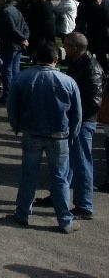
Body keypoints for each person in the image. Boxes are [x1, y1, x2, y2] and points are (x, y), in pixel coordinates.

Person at [6, 41, 83, 233]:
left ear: (35, 58)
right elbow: (77, 113)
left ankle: (22, 214)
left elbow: (12, 106)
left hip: (31, 132)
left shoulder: (22, 78)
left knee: (28, 174)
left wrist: (16, 125)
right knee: (60, 177)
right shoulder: (68, 81)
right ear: (56, 59)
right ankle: (65, 220)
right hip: (59, 135)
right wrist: (72, 133)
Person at [36, 33, 104, 220]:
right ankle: (59, 196)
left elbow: (94, 101)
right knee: (65, 161)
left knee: (81, 162)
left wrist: (75, 114)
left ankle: (84, 205)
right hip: (74, 119)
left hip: (83, 122)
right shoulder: (79, 63)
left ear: (75, 48)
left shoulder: (92, 68)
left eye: (66, 45)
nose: (63, 48)